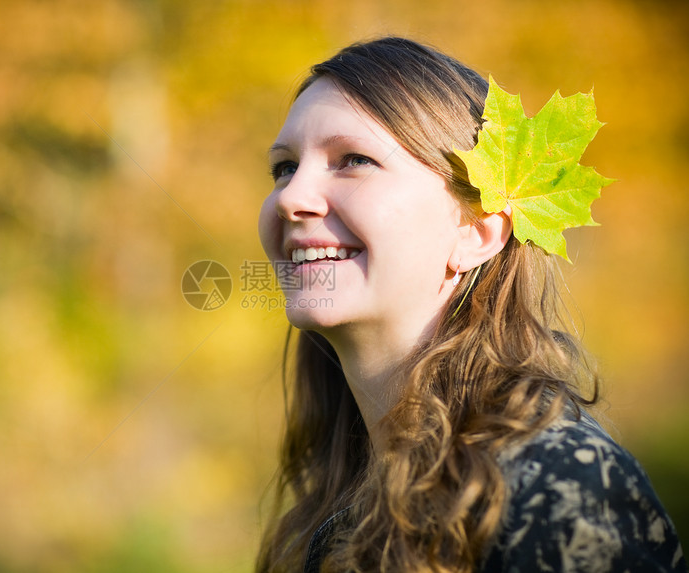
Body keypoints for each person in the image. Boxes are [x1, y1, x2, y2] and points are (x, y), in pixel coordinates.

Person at [256, 37, 686, 573]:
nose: (292, 197)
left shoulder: (559, 485)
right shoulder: (338, 502)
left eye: (354, 160)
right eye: (283, 167)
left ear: (476, 232)